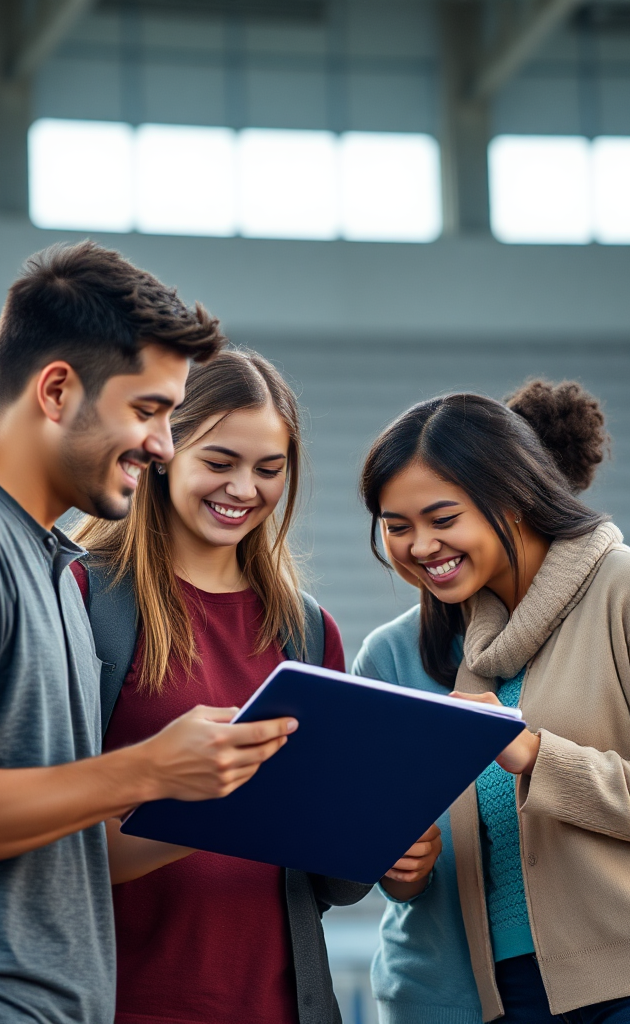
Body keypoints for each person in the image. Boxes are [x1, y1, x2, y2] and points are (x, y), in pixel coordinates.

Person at [0, 243, 301, 1024]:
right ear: (59, 390)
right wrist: (146, 767)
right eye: (147, 411)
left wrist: (217, 789)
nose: (164, 446)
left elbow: (68, 841)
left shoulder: (45, 563)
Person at [351, 380, 630, 1024]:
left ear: (511, 500)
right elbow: (400, 852)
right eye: (396, 527)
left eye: (442, 519)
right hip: (508, 999)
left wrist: (536, 754)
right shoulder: (408, 648)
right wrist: (399, 865)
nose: (420, 546)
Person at [71, 348, 439, 1024]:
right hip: (122, 1002)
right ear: (160, 452)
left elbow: (330, 879)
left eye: (269, 470)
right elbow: (43, 841)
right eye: (220, 463)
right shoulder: (84, 599)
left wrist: (389, 853)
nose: (245, 489)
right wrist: (216, 805)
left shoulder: (306, 631)